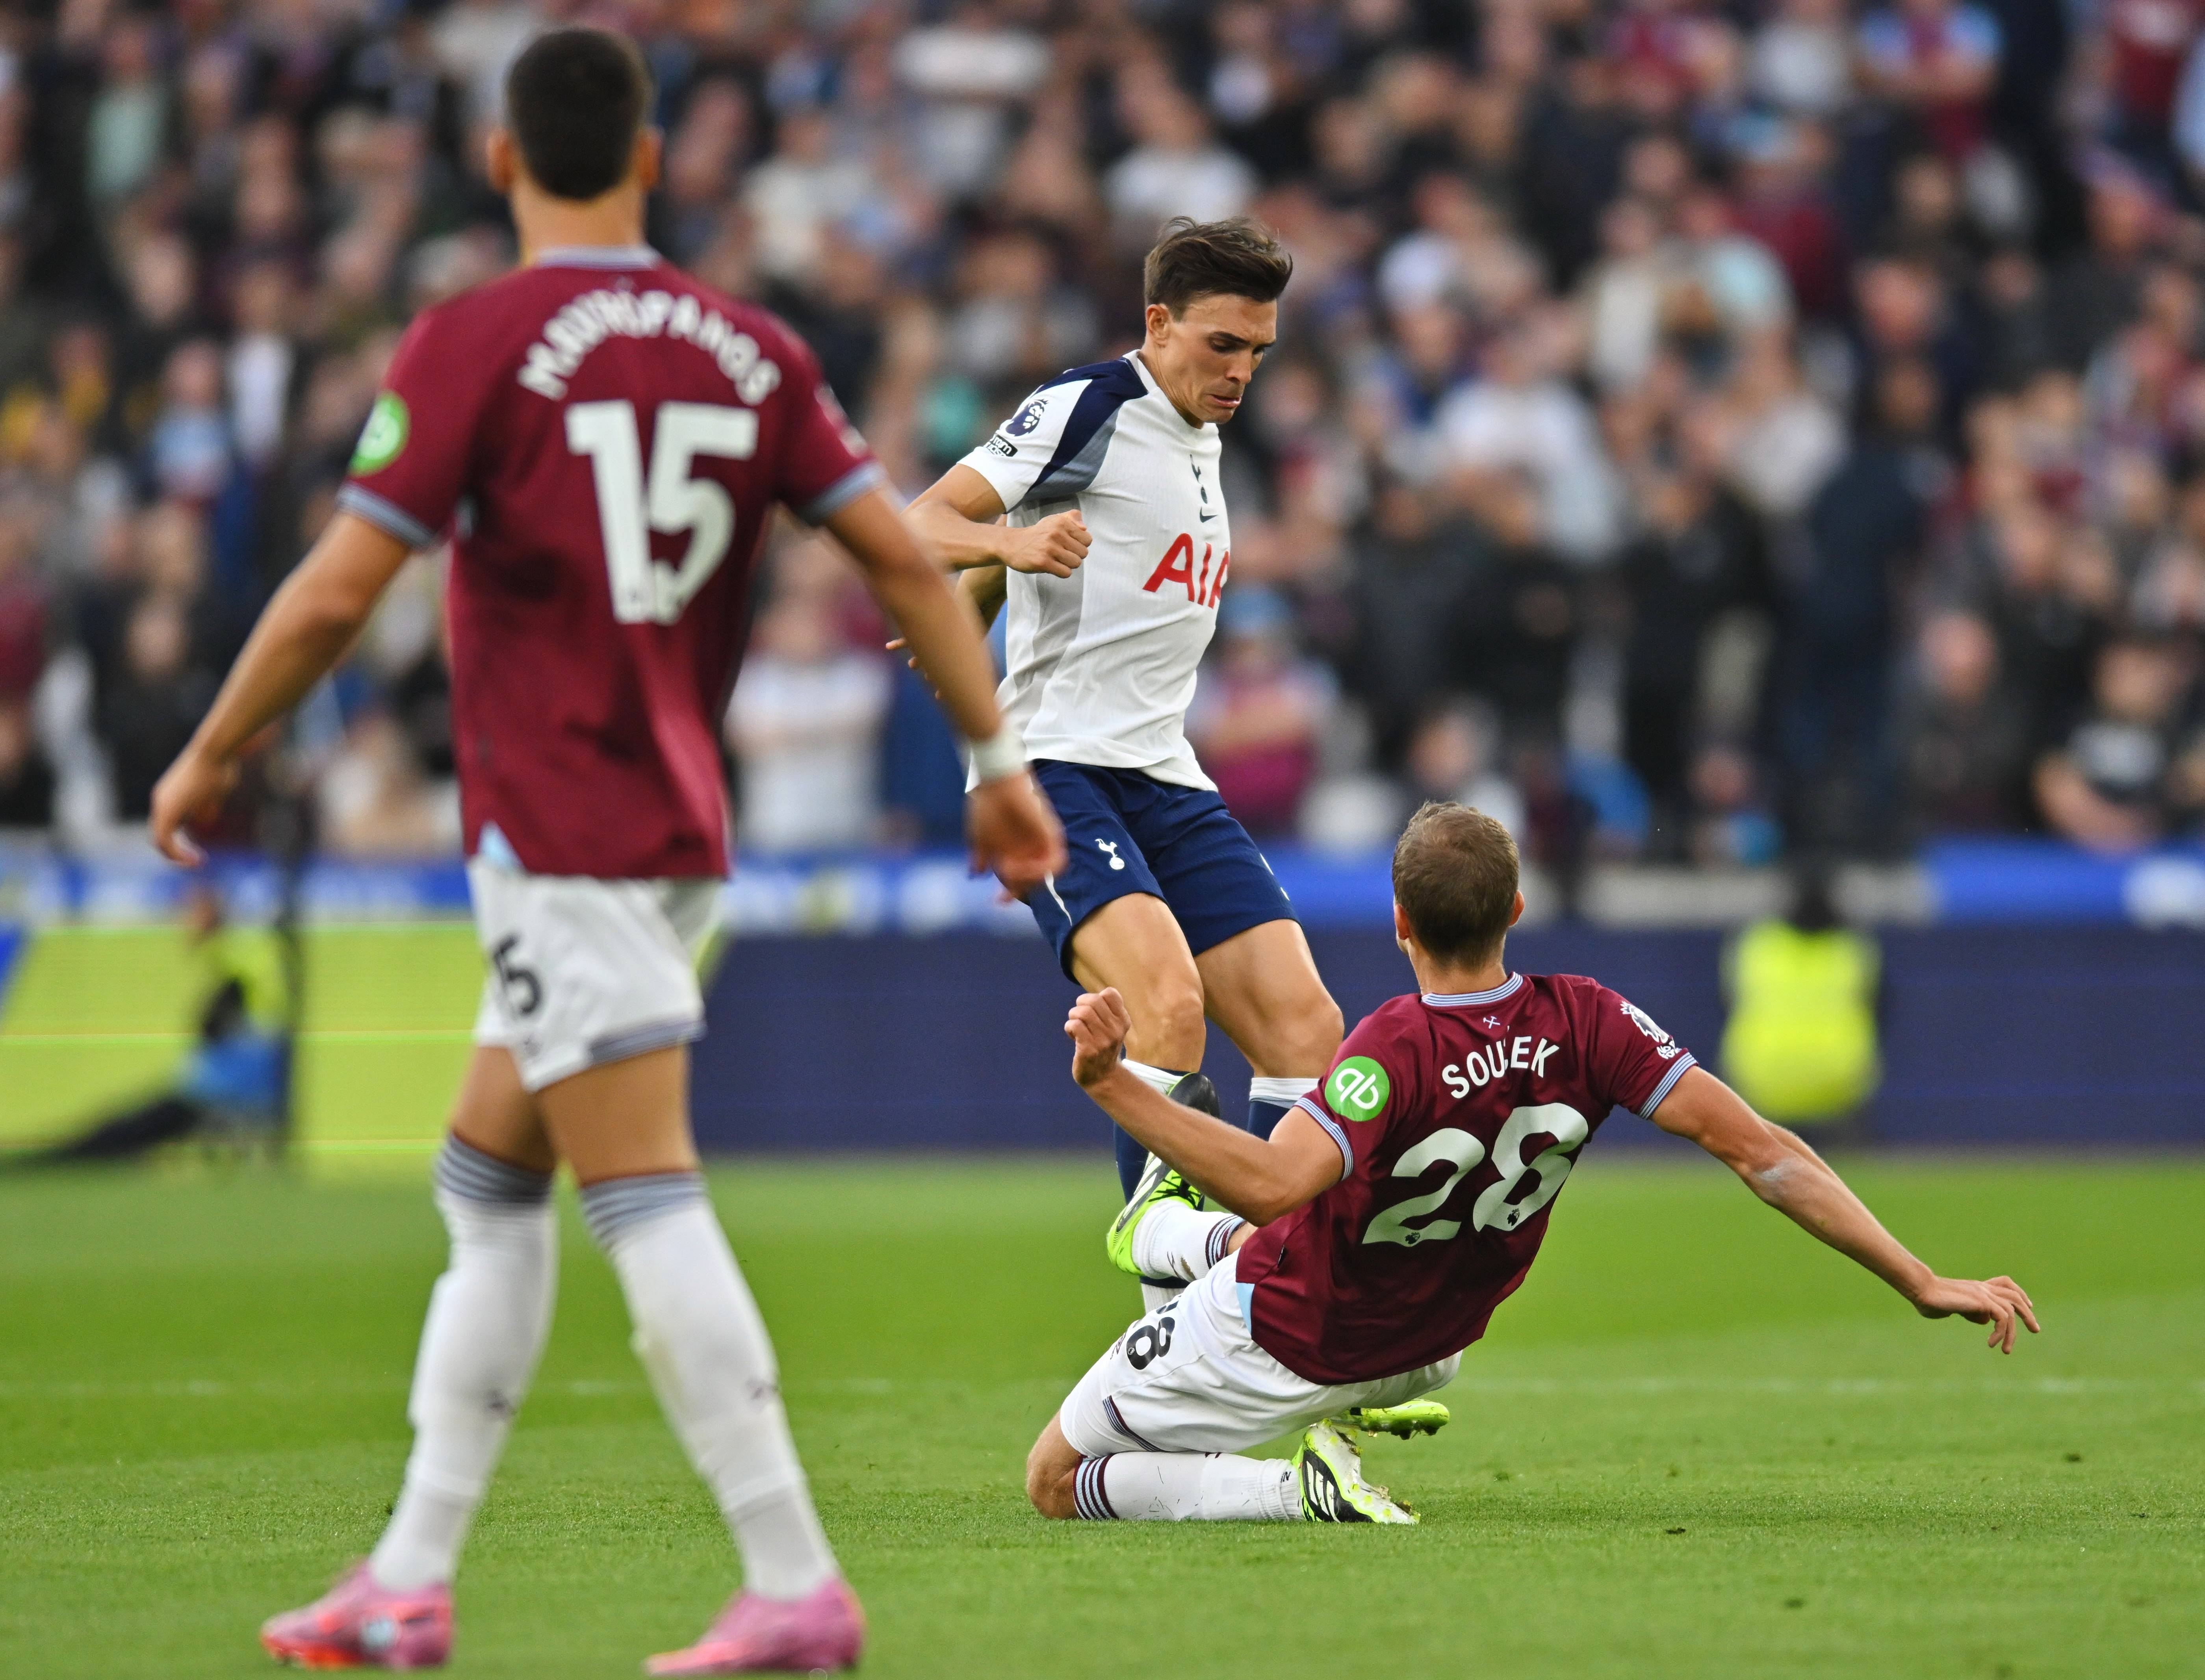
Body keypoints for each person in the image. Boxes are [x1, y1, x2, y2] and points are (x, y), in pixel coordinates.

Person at [147, 29, 1063, 1676]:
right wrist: (993, 765)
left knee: (641, 1193)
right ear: (648, 161)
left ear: (502, 161)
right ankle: (407, 1579)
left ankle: (791, 1578)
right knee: (487, 1177)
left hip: (563, 829)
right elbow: (903, 559)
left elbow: (344, 584)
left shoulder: (476, 338)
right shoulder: (752, 348)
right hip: (679, 826)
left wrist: (216, 750)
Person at [1028, 803, 2037, 1525]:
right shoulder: (1592, 1020)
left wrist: (1115, 1086)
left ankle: (1296, 1491)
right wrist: (1918, 1278)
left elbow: (1272, 1182)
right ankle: (1168, 1232)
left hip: (1298, 1334)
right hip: (1433, 1344)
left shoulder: (1391, 1048)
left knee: (1057, 1479)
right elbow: (1764, 1154)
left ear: (1399, 922)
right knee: (1212, 1234)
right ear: (1516, 909)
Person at [902, 217, 1344, 1260]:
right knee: (1164, 1007)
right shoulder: (1091, 404)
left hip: (1162, 771)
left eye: (1258, 351)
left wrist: (982, 589)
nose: (1240, 373)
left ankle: (1261, 1306)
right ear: (1157, 325)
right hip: (1053, 765)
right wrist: (1006, 546)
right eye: (1221, 345)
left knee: (1305, 1028)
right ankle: (1169, 1315)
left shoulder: (1202, 436)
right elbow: (914, 522)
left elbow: (1078, 545)